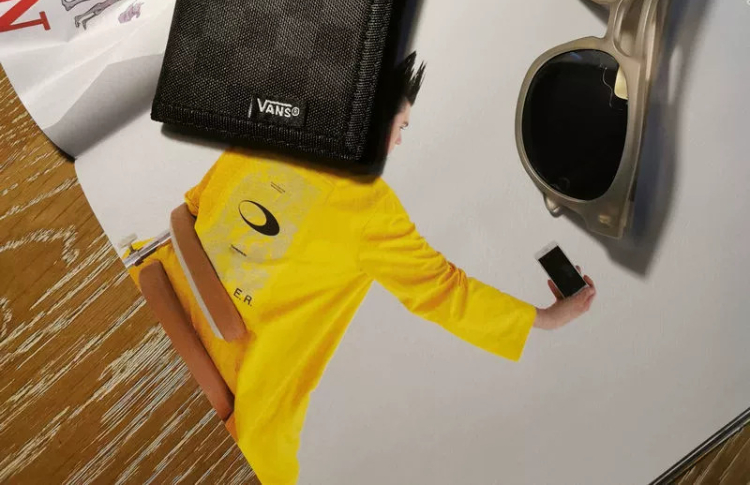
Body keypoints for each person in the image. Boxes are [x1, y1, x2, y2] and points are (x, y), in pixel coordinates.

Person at [130, 54, 595, 485]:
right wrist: (547, 318)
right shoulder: (368, 208)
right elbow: (443, 292)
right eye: (401, 125)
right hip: (231, 404)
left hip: (143, 295)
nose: (399, 141)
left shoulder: (273, 127)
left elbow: (194, 207)